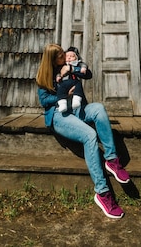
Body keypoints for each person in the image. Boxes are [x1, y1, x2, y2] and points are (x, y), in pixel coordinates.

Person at [36, 44, 130, 219]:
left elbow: (88, 74)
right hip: (59, 114)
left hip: (77, 108)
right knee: (90, 135)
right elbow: (44, 100)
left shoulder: (68, 65)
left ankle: (112, 160)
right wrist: (63, 95)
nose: (65, 56)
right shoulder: (45, 75)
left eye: (65, 53)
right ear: (52, 59)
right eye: (61, 55)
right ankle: (102, 193)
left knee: (99, 109)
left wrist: (71, 68)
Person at [55, 46, 88, 112]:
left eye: (72, 56)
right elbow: (58, 72)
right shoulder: (62, 66)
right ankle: (62, 104)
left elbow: (87, 73)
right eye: (67, 56)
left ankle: (76, 100)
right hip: (64, 84)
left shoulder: (78, 64)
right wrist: (59, 76)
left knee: (78, 85)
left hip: (75, 83)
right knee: (61, 89)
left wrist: (74, 69)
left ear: (76, 58)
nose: (69, 58)